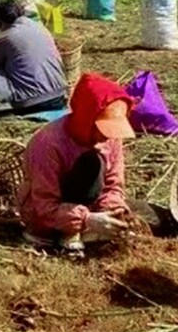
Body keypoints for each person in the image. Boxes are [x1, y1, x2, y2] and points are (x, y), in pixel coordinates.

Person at [18, 73, 136, 256]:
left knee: (148, 216)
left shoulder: (111, 138)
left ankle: (87, 230)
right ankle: (67, 234)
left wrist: (113, 211)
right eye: (103, 129)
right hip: (46, 217)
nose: (107, 136)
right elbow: (44, 205)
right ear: (87, 119)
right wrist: (87, 219)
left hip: (90, 211)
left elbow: (113, 184)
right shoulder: (48, 143)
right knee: (90, 163)